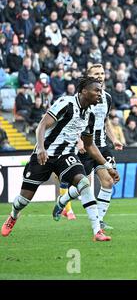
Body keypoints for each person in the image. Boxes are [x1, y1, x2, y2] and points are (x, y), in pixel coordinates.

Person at [1, 77, 120, 241]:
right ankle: (14, 215)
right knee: (23, 200)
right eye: (97, 91)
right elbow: (42, 125)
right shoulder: (66, 103)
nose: (100, 94)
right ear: (84, 91)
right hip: (44, 155)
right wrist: (41, 148)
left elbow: (90, 146)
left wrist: (107, 166)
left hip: (66, 156)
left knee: (84, 183)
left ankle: (97, 231)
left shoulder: (90, 116)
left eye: (101, 91)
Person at [76, 64, 124, 230]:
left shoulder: (108, 98)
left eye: (102, 73)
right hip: (85, 146)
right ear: (89, 76)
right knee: (83, 186)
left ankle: (99, 220)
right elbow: (74, 121)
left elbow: (105, 121)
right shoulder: (81, 97)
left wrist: (114, 139)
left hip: (102, 145)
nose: (100, 76)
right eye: (96, 73)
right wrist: (79, 141)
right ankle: (62, 201)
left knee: (109, 181)